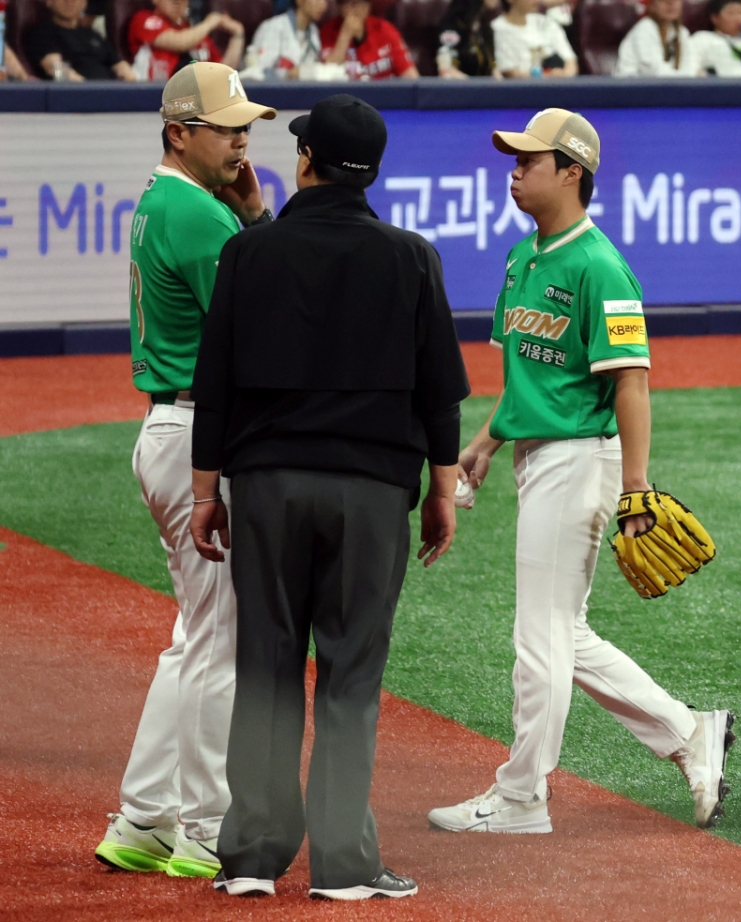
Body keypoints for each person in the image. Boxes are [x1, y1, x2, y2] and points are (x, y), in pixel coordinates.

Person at [189, 93, 469, 900]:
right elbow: (440, 395)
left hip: (268, 486)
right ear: (371, 169)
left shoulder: (249, 252)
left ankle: (251, 856)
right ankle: (343, 863)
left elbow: (216, 385)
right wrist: (442, 491)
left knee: (266, 667)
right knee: (350, 673)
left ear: (306, 160)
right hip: (373, 495)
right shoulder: (412, 256)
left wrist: (206, 492)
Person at [427, 108, 734, 835]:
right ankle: (691, 732)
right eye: (514, 160)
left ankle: (522, 797)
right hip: (538, 454)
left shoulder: (600, 265)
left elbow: (632, 380)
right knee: (564, 633)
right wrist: (486, 442)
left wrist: (636, 487)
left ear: (572, 172)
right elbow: (530, 378)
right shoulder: (522, 258)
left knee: (540, 639)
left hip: (579, 459)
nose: (514, 172)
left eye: (529, 161)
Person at [93, 62, 275, 879]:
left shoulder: (170, 200)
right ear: (179, 132)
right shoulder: (196, 212)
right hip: (201, 434)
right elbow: (265, 323)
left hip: (174, 425)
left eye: (245, 126)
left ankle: (143, 818)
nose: (242, 141)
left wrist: (252, 215)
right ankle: (205, 827)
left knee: (197, 635)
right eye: (226, 128)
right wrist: (255, 221)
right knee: (220, 644)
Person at [128, 0, 245, 81]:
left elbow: (223, 71)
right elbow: (180, 43)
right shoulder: (144, 19)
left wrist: (237, 34)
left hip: (196, 98)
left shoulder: (193, 31)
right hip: (156, 96)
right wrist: (211, 22)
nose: (178, 2)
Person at [24, 0, 135, 80]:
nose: (69, 2)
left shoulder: (93, 35)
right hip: (77, 95)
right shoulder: (44, 32)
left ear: (84, 3)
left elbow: (119, 64)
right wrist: (84, 88)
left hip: (111, 92)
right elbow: (54, 67)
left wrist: (130, 80)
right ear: (49, 2)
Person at [319, 0, 419, 79]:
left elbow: (411, 76)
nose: (357, 8)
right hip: (347, 96)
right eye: (350, 3)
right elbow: (327, 75)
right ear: (339, 6)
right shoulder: (328, 31)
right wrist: (345, 35)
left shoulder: (384, 30)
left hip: (383, 95)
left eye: (362, 2)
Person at [242, 0, 327, 79]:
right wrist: (287, 74)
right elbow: (258, 72)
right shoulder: (274, 27)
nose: (322, 5)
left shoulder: (314, 32)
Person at [492, 0, 577, 77]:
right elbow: (510, 71)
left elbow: (570, 60)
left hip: (561, 86)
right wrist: (547, 77)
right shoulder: (498, 29)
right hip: (521, 88)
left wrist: (565, 75)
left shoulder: (547, 23)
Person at [615, 0, 699, 76]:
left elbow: (691, 67)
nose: (671, 2)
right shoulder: (645, 29)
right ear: (651, 6)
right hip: (629, 86)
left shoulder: (682, 33)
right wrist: (689, 78)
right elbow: (656, 73)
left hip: (667, 85)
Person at [435, 0, 499, 77]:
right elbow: (446, 68)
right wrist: (471, 83)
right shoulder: (452, 26)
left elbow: (493, 67)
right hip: (460, 83)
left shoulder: (484, 25)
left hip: (485, 82)